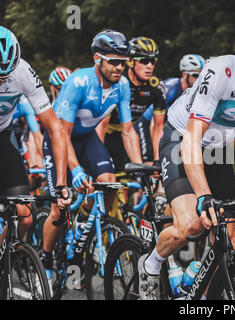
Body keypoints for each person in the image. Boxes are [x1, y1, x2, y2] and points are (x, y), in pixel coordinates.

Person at [137, 9, 235, 300]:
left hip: (219, 147)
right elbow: (191, 141)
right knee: (190, 224)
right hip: (181, 139)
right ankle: (150, 264)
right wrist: (203, 196)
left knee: (230, 241)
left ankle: (204, 296)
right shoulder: (221, 72)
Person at [40, 30, 142, 273]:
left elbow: (128, 131)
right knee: (58, 207)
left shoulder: (123, 86)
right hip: (59, 139)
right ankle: (44, 258)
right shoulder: (78, 82)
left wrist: (141, 169)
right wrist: (74, 169)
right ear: (98, 59)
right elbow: (62, 134)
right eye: (114, 62)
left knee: (109, 183)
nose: (120, 67)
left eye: (124, 62)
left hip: (86, 139)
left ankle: (86, 227)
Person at [0, 26, 71, 241]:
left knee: (26, 217)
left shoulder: (23, 72)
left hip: (2, 136)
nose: (1, 81)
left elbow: (55, 129)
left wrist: (60, 184)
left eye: (5, 75)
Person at [97, 36, 166, 169]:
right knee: (106, 177)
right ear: (130, 61)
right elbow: (101, 125)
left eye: (153, 61)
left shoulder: (157, 86)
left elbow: (158, 127)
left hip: (127, 133)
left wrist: (157, 159)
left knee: (134, 176)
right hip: (103, 132)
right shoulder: (118, 82)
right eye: (144, 61)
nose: (149, 66)